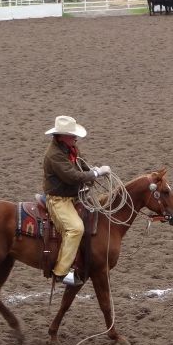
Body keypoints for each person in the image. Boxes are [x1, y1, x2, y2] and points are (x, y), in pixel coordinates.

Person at [43, 115, 110, 287]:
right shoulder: (54, 155)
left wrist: (93, 170)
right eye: (72, 135)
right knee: (76, 228)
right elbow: (72, 176)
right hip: (59, 200)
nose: (75, 138)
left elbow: (81, 165)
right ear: (61, 136)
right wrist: (96, 173)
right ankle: (61, 272)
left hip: (74, 196)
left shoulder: (71, 148)